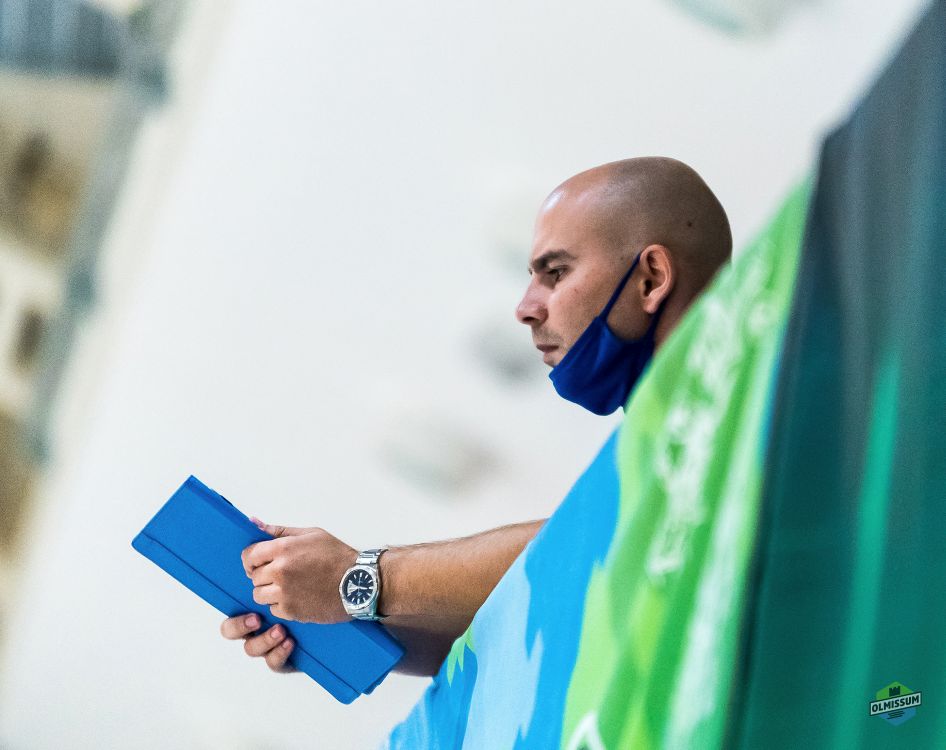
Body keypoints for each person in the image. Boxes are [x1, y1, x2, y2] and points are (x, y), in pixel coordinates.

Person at [219, 156, 732, 678]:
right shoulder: (651, 455)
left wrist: (359, 578)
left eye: (556, 273)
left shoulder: (746, 395)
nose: (525, 308)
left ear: (650, 279)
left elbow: (590, 539)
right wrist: (333, 625)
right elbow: (527, 611)